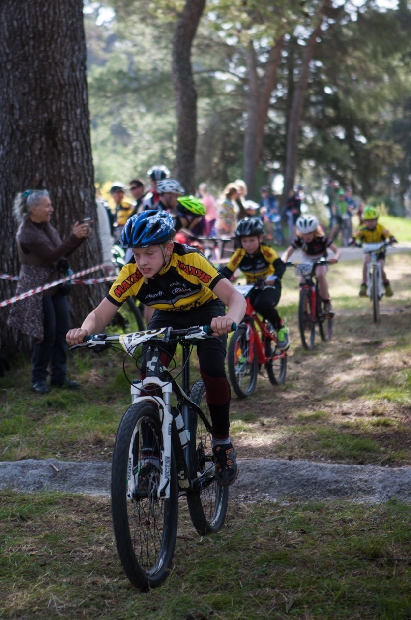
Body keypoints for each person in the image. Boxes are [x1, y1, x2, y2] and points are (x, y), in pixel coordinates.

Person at [67, 210, 246, 486]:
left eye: (149, 253)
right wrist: (84, 330)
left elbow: (235, 298)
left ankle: (222, 440)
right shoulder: (131, 273)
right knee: (148, 376)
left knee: (211, 367)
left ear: (168, 248)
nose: (142, 262)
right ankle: (149, 454)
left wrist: (228, 320)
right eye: (136, 254)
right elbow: (100, 315)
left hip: (206, 311)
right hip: (166, 316)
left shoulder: (190, 260)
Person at [8, 189, 91, 394]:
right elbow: (51, 255)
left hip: (54, 287)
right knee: (46, 334)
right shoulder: (26, 233)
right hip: (37, 290)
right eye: (47, 206)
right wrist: (73, 237)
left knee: (62, 331)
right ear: (33, 209)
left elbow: (60, 255)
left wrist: (79, 238)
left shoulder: (46, 226)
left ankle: (59, 376)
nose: (51, 209)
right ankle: (38, 378)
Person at [222, 218, 289, 350]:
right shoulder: (239, 254)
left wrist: (275, 277)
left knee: (261, 304)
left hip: (270, 286)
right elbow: (227, 271)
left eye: (252, 240)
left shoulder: (266, 250)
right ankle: (243, 348)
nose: (248, 244)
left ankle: (280, 327)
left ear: (260, 238)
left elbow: (280, 264)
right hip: (251, 288)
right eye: (244, 241)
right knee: (241, 310)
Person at [282, 214, 340, 317]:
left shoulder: (322, 239)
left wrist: (335, 257)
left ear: (314, 231)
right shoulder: (299, 240)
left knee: (320, 274)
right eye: (304, 233)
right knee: (303, 283)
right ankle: (304, 313)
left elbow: (337, 251)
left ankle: (326, 301)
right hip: (307, 260)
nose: (307, 236)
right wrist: (284, 259)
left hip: (320, 260)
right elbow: (288, 251)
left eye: (309, 233)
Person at [353, 206, 396, 297]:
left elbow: (388, 233)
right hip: (368, 250)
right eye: (368, 220)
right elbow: (356, 235)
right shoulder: (362, 228)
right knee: (365, 261)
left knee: (380, 266)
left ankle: (386, 284)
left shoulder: (380, 227)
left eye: (372, 220)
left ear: (376, 220)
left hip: (380, 250)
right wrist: (353, 240)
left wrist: (392, 238)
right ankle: (364, 284)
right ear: (364, 221)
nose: (370, 223)